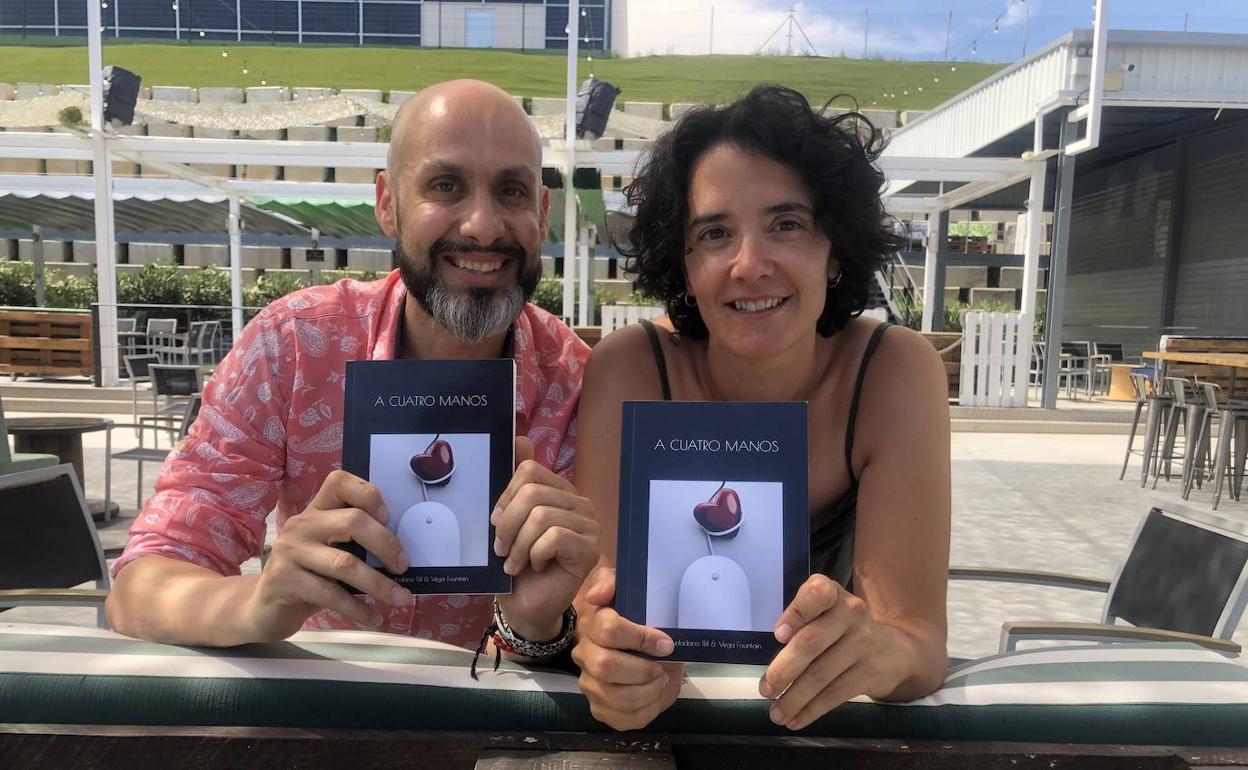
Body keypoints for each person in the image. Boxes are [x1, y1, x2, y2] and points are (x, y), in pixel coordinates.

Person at [106, 80, 600, 659]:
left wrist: (538, 630)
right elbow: (142, 583)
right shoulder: (294, 346)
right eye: (446, 186)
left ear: (542, 214)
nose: (483, 226)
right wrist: (255, 601)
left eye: (511, 191)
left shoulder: (579, 387)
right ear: (387, 204)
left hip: (498, 722)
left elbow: (605, 636)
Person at [571, 84, 950, 730]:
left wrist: (879, 652)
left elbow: (918, 642)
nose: (749, 265)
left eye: (786, 224)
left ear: (834, 250)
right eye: (715, 234)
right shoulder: (630, 371)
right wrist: (607, 654)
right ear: (684, 265)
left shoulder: (891, 372)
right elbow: (595, 604)